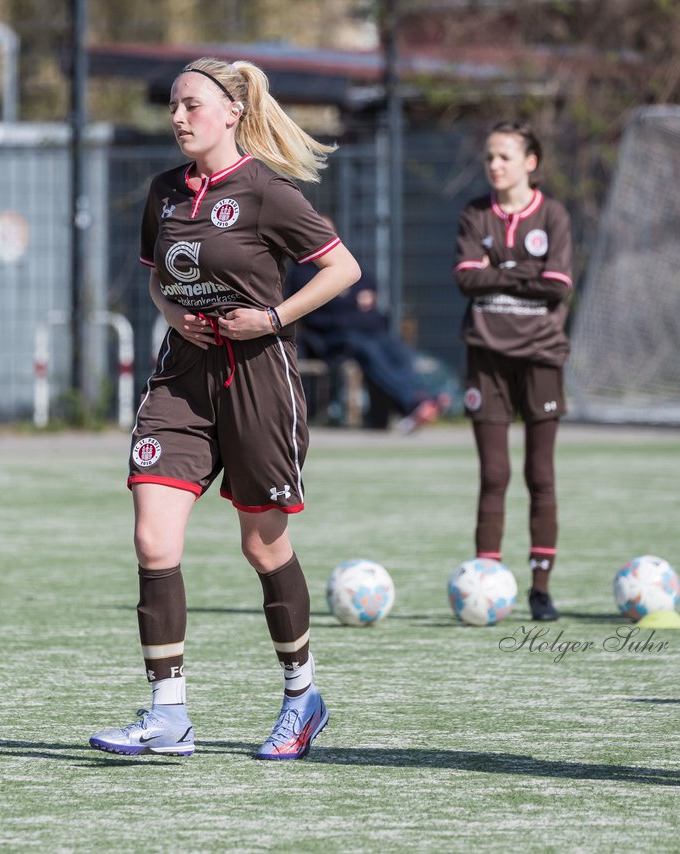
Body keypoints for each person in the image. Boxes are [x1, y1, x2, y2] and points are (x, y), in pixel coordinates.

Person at [88, 58, 361, 761]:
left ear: (232, 112)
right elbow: (156, 284)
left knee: (262, 544)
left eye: (192, 106)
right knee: (154, 539)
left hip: (260, 381)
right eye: (173, 107)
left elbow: (342, 269)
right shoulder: (164, 193)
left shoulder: (268, 193)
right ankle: (168, 715)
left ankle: (302, 697)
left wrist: (272, 317)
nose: (178, 118)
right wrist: (173, 315)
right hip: (182, 381)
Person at [451, 121, 574, 622]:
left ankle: (540, 590)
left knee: (539, 474)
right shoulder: (474, 215)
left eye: (504, 156)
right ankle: (486, 582)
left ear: (531, 161)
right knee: (494, 475)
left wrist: (496, 273)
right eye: (490, 157)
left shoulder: (554, 215)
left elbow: (558, 286)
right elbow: (465, 279)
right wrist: (526, 270)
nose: (494, 165)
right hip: (487, 356)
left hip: (541, 356)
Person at [285, 241, 450, 433]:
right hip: (333, 339)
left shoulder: (343, 259)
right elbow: (323, 309)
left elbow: (367, 283)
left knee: (396, 349)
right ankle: (411, 404)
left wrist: (344, 296)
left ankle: (418, 398)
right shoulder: (302, 273)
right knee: (368, 351)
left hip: (369, 331)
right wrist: (350, 299)